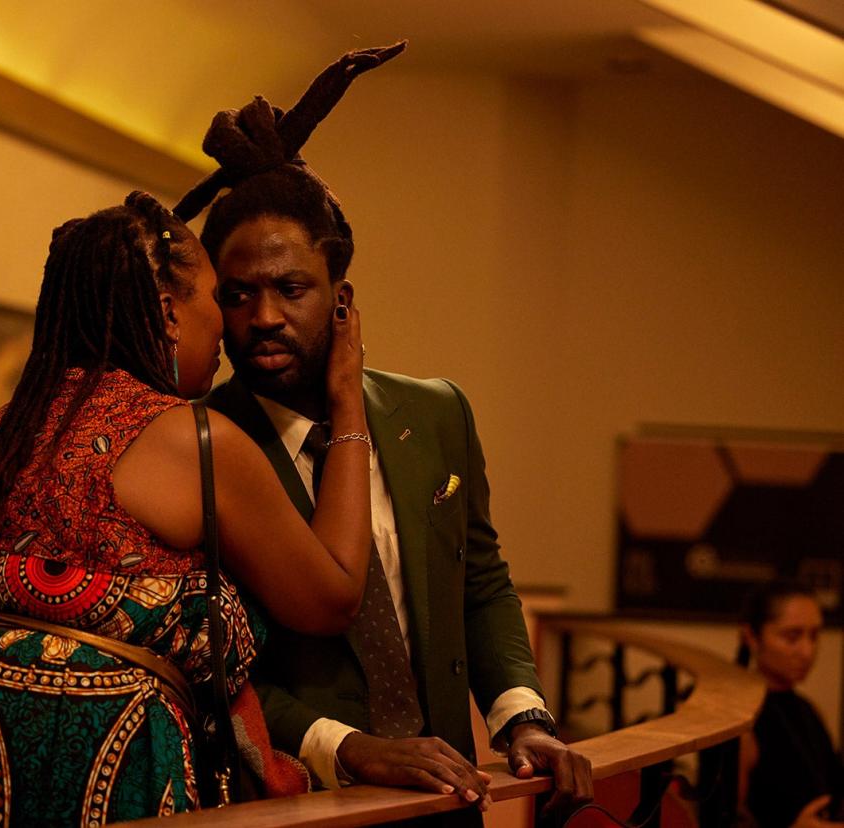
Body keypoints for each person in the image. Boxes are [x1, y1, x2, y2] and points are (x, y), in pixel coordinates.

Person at [0, 191, 378, 826]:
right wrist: (347, 402)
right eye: (213, 298)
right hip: (74, 749)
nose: (228, 327)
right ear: (171, 314)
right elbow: (332, 594)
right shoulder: (191, 440)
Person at [173, 43, 593, 822]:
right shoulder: (197, 446)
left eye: (291, 288)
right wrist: (350, 746)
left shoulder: (435, 412)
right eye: (239, 294)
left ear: (341, 297)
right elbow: (204, 657)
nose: (264, 317)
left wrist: (522, 714)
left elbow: (479, 581)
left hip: (446, 797)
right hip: (297, 802)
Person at [738, 580, 843, 828]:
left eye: (814, 635)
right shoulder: (742, 722)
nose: (808, 651)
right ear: (752, 637)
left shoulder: (808, 708)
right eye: (792, 636)